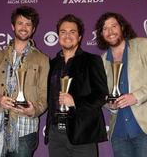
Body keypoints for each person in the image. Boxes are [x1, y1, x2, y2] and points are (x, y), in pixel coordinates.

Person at [95, 12, 147, 157]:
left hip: (145, 127)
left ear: (122, 27)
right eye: (105, 28)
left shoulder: (144, 45)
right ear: (101, 34)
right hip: (119, 131)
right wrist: (110, 105)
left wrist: (136, 96)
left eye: (113, 26)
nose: (110, 31)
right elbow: (104, 94)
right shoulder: (102, 61)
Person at [0, 6, 49, 157]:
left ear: (33, 29)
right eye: (20, 23)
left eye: (28, 24)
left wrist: (34, 110)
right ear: (13, 26)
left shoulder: (42, 60)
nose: (24, 27)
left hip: (25, 129)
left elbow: (44, 94)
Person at [45, 14, 109, 157]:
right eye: (63, 32)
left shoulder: (92, 61)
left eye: (72, 32)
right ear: (58, 36)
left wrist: (75, 101)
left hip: (83, 133)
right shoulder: (51, 64)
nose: (67, 35)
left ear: (79, 37)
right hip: (55, 133)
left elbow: (101, 95)